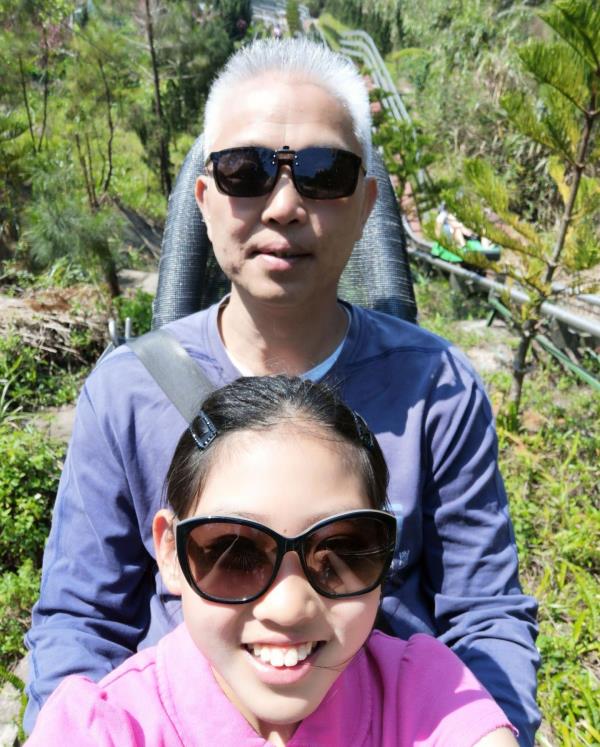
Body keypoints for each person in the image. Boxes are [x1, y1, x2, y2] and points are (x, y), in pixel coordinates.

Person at [25, 38, 540, 744]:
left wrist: (490, 726)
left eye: (324, 174)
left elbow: (482, 613)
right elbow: (83, 621)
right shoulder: (128, 393)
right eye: (246, 172)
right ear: (205, 200)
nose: (286, 205)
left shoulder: (437, 390)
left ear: (366, 205)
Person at [26, 376, 519, 746]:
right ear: (171, 553)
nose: (288, 607)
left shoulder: (427, 695)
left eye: (341, 550)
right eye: (236, 553)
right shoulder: (106, 728)